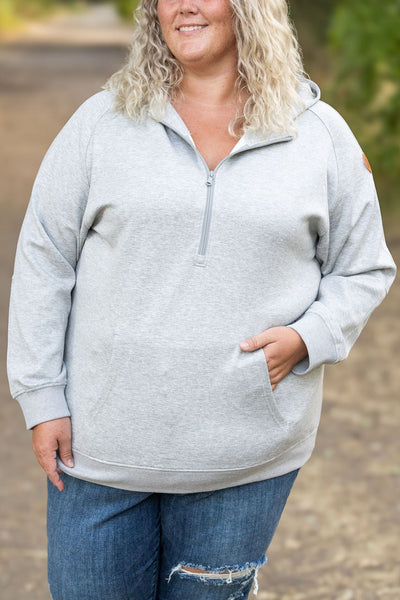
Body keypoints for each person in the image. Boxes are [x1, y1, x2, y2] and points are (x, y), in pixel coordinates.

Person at [7, 0, 396, 598]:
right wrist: (41, 396)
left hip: (243, 459)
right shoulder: (102, 122)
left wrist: (308, 338)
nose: (183, 5)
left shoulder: (318, 135)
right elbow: (44, 260)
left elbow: (363, 265)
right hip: (100, 450)